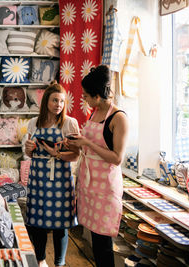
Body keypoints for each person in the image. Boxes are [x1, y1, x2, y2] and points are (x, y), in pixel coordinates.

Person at [67, 65, 129, 267]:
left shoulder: (118, 118)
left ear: (97, 95)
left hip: (105, 188)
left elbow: (117, 158)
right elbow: (92, 147)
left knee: (103, 244)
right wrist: (77, 142)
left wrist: (86, 143)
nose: (84, 99)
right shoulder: (95, 112)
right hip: (90, 184)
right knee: (97, 240)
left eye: (86, 95)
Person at [24, 82, 80, 267]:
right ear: (46, 101)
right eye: (55, 100)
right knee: (37, 222)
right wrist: (29, 149)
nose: (59, 104)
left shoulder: (69, 123)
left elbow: (75, 155)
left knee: (61, 225)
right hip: (38, 178)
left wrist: (57, 154)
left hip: (61, 179)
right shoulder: (33, 123)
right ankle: (41, 260)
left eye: (62, 101)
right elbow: (29, 154)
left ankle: (59, 263)